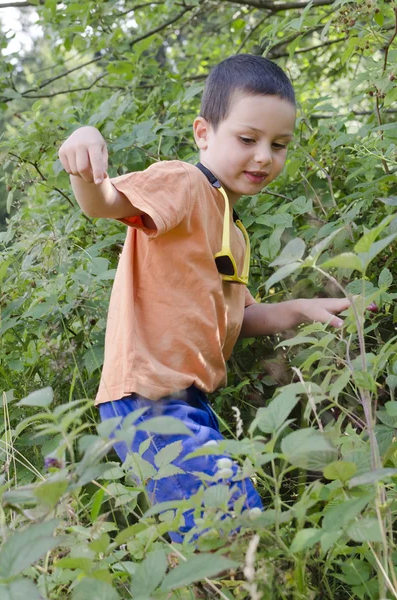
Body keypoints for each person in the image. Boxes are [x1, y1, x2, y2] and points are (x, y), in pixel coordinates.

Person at [58, 54, 352, 542]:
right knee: (232, 531)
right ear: (203, 134)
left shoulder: (231, 229)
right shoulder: (185, 183)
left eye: (279, 145)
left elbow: (240, 315)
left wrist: (301, 309)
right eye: (247, 139)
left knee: (220, 537)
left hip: (187, 398)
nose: (264, 157)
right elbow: (103, 203)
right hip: (148, 396)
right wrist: (85, 146)